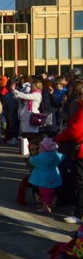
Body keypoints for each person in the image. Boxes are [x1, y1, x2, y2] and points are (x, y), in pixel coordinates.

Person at [54, 80, 83, 223]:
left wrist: (58, 138)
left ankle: (79, 213)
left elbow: (74, 131)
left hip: (81, 150)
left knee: (80, 182)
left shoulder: (81, 108)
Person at [29, 137, 64, 213]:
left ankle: (47, 205)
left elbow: (33, 160)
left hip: (43, 179)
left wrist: (56, 197)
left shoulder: (40, 158)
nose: (35, 151)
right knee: (50, 190)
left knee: (45, 192)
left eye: (37, 148)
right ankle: (49, 202)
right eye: (32, 150)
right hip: (53, 177)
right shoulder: (55, 156)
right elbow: (62, 156)